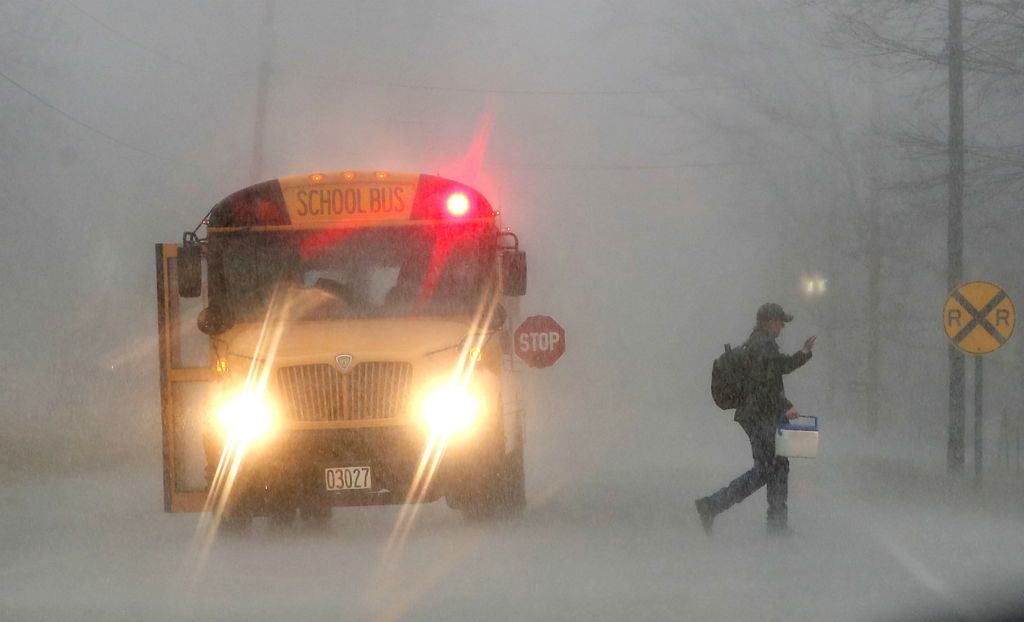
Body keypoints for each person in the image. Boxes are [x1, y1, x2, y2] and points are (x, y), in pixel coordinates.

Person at [695, 302, 816, 536]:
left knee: (778, 466)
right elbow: (764, 386)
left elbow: (773, 375)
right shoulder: (763, 346)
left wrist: (803, 355)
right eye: (780, 321)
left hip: (759, 413)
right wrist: (784, 405)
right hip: (761, 415)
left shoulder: (758, 344)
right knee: (767, 469)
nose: (782, 326)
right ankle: (712, 505)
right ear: (768, 321)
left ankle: (777, 524)